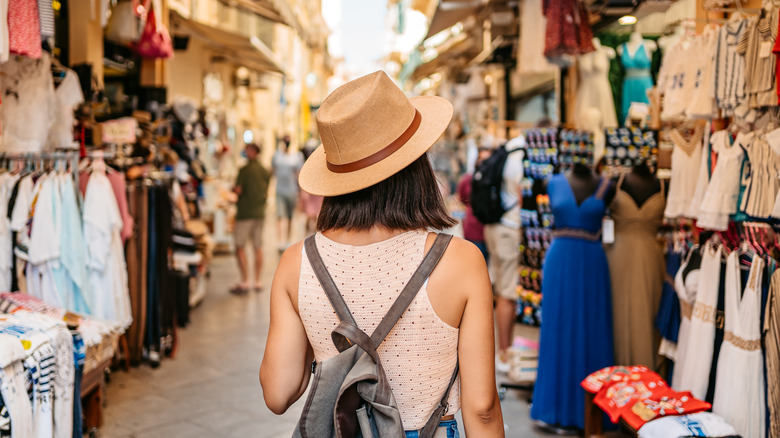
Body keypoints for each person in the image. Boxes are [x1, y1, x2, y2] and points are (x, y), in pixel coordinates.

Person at [259, 71, 504, 437]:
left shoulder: (298, 261)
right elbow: (482, 409)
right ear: (416, 166)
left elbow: (278, 393)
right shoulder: (460, 261)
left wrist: (323, 338)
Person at [481, 134, 524, 374]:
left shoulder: (507, 150)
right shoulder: (520, 158)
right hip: (509, 229)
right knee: (507, 293)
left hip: (496, 227)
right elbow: (521, 195)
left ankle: (501, 350)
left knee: (500, 289)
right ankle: (503, 354)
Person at [231, 143, 271, 293]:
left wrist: (233, 189)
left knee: (239, 246)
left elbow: (238, 190)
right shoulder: (264, 170)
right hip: (260, 212)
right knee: (257, 246)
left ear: (251, 151)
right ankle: (258, 281)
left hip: (245, 213)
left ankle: (245, 280)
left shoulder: (244, 170)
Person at [456, 146, 492, 262]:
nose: (483, 163)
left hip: (491, 231)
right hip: (473, 230)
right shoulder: (468, 179)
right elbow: (461, 198)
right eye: (481, 159)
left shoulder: (495, 180)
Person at [271, 135, 303, 250]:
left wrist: (301, 191)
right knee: (280, 216)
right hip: (280, 190)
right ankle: (280, 241)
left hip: (291, 190)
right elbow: (272, 171)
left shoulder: (296, 157)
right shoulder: (277, 156)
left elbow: (298, 174)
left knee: (289, 216)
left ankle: (288, 240)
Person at [298, 141, 323, 234]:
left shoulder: (319, 166)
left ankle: (313, 234)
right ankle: (308, 234)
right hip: (309, 193)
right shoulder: (304, 167)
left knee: (316, 216)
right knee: (310, 216)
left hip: (317, 193)